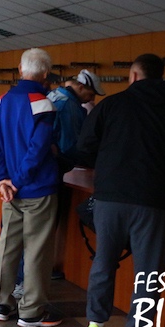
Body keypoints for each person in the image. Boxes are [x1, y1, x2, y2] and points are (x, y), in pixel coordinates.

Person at [77, 53, 165, 327]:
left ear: (133, 76)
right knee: (148, 273)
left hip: (109, 197)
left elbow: (84, 144)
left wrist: (108, 162)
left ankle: (96, 323)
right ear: (161, 77)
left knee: (104, 261)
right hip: (151, 200)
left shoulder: (111, 105)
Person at [0, 48, 62, 327]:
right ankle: (31, 311)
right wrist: (17, 181)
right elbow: (38, 150)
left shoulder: (2, 101)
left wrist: (2, 181)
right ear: (46, 74)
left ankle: (2, 303)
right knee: (36, 250)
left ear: (20, 69)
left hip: (10, 191)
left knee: (7, 246)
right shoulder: (43, 104)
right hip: (37, 189)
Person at [46, 69, 104, 279]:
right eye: (91, 94)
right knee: (47, 225)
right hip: (54, 170)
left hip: (44, 169)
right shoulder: (69, 106)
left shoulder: (53, 96)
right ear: (80, 87)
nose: (92, 99)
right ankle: (42, 271)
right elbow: (71, 145)